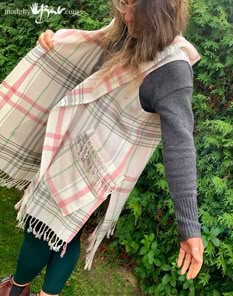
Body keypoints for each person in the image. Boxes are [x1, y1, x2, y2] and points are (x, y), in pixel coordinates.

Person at [0, 0, 204, 295]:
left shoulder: (172, 71)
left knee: (41, 225)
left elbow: (180, 147)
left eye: (130, 4)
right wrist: (56, 42)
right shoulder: (126, 33)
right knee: (64, 234)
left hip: (96, 169)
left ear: (154, 10)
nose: (123, 12)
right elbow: (87, 51)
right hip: (76, 146)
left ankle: (15, 290)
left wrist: (189, 226)